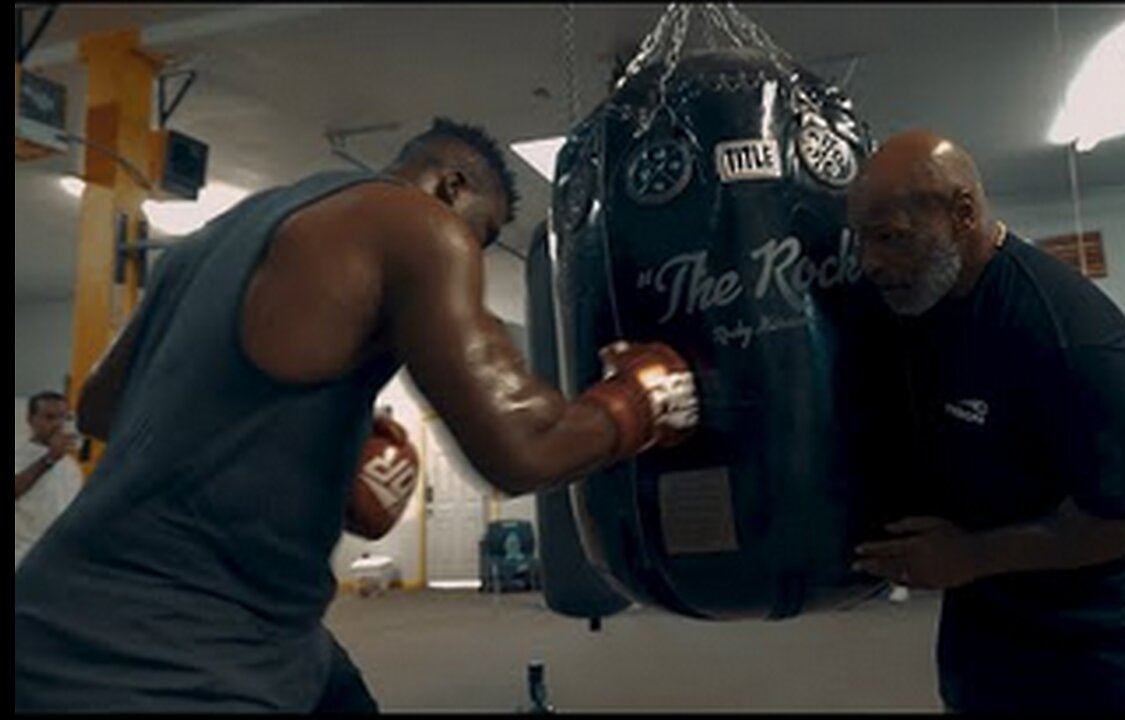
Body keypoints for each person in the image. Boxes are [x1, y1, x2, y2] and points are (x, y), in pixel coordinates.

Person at [15, 117, 698, 712]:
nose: (470, 255)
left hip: (83, 611)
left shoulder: (216, 236)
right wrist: (639, 402)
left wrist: (322, 448)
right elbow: (523, 445)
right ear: (451, 187)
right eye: (480, 236)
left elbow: (99, 408)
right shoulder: (418, 223)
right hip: (165, 660)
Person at [845, 130, 1125, 713]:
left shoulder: (1069, 336)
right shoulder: (919, 305)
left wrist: (970, 556)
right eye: (862, 242)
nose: (871, 262)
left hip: (1115, 650)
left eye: (891, 238)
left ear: (962, 213)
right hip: (996, 635)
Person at [15, 391, 82, 570]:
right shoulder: (18, 453)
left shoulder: (70, 466)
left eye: (64, 418)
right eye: (50, 417)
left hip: (58, 556)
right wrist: (49, 459)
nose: (58, 424)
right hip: (22, 555)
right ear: (31, 420)